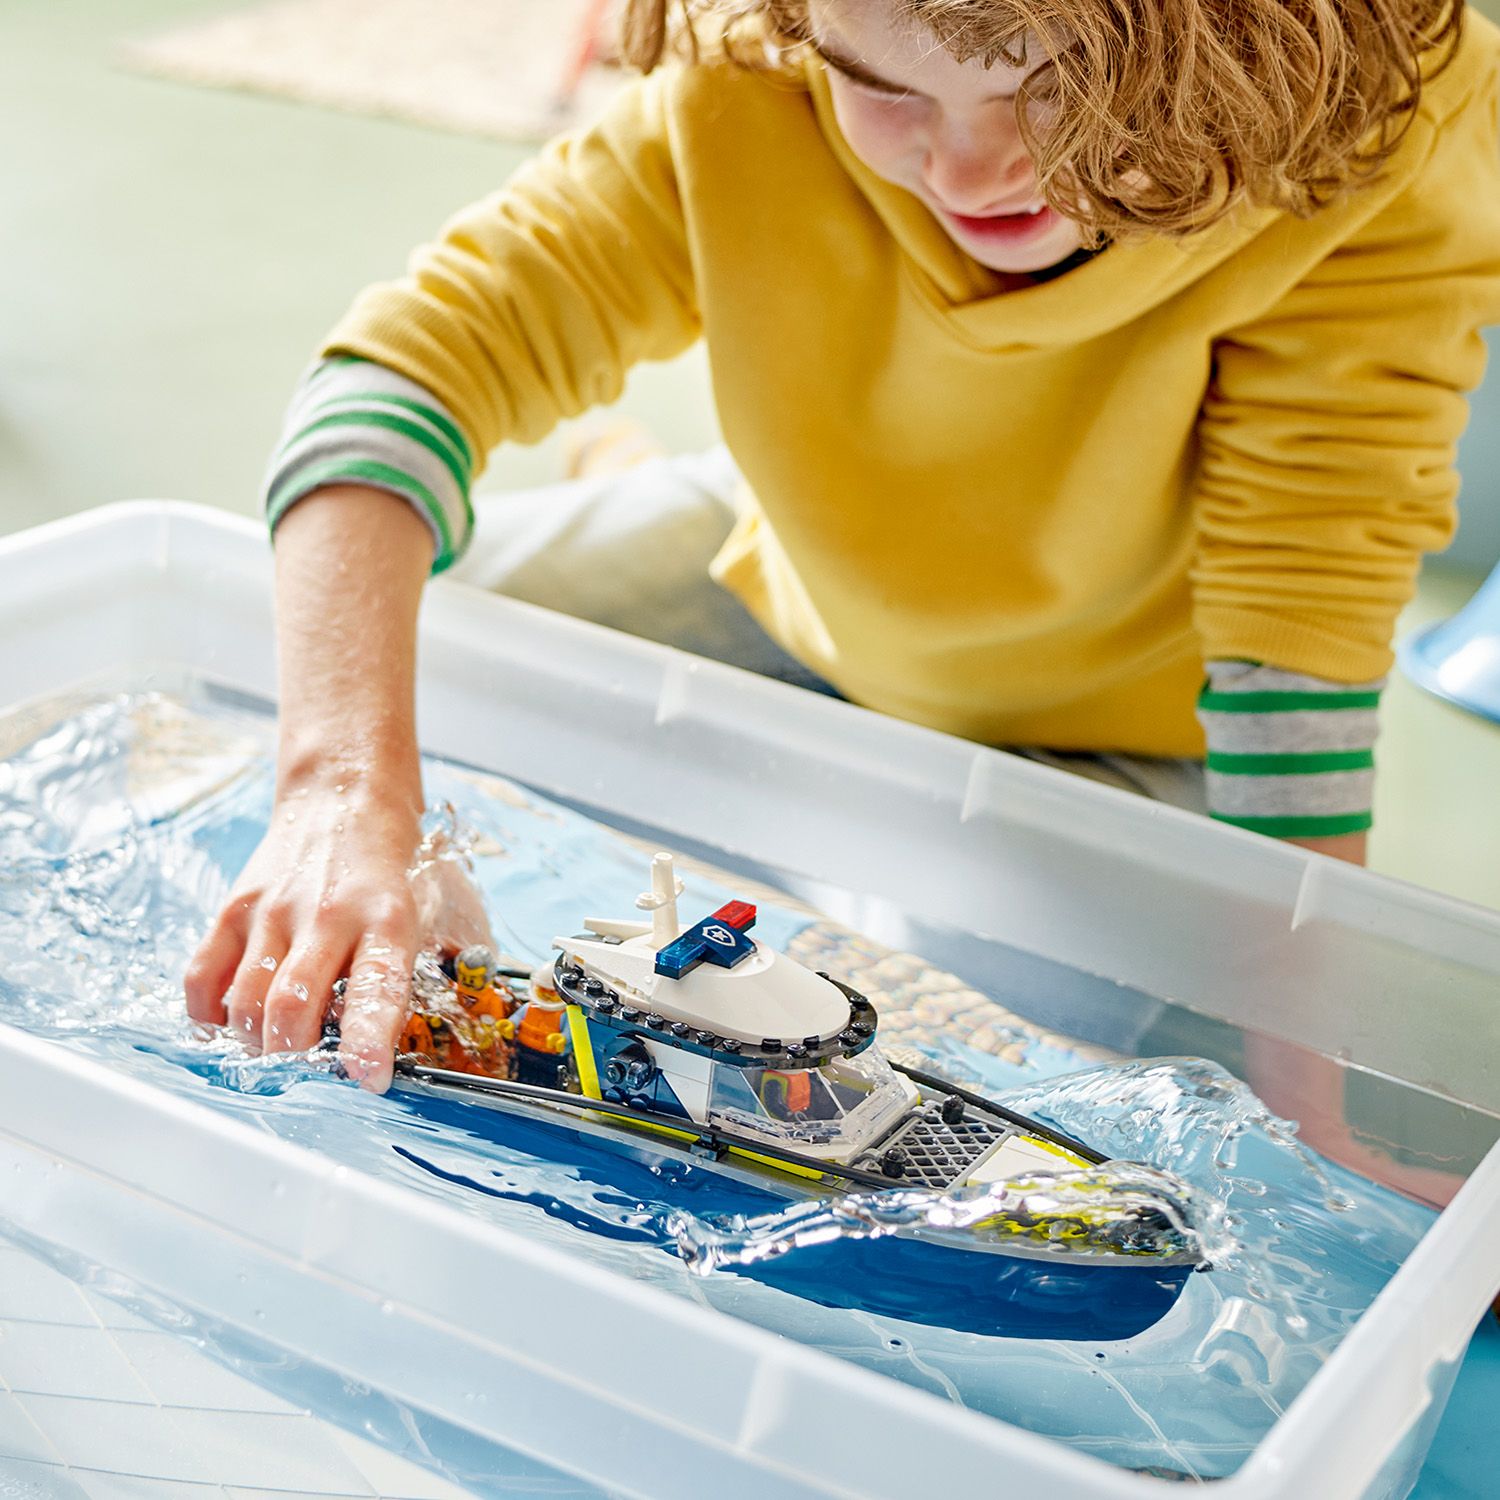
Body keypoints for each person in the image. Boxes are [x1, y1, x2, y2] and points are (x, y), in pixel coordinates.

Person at [184, 0, 1500, 1091]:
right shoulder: (759, 68)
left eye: (1052, 93)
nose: (970, 172)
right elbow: (404, 375)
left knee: (974, 1042)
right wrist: (341, 793)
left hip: (1119, 744)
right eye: (886, 88)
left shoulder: (1381, 139)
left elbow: (1302, 618)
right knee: (292, 644)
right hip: (792, 583)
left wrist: (1312, 1087)